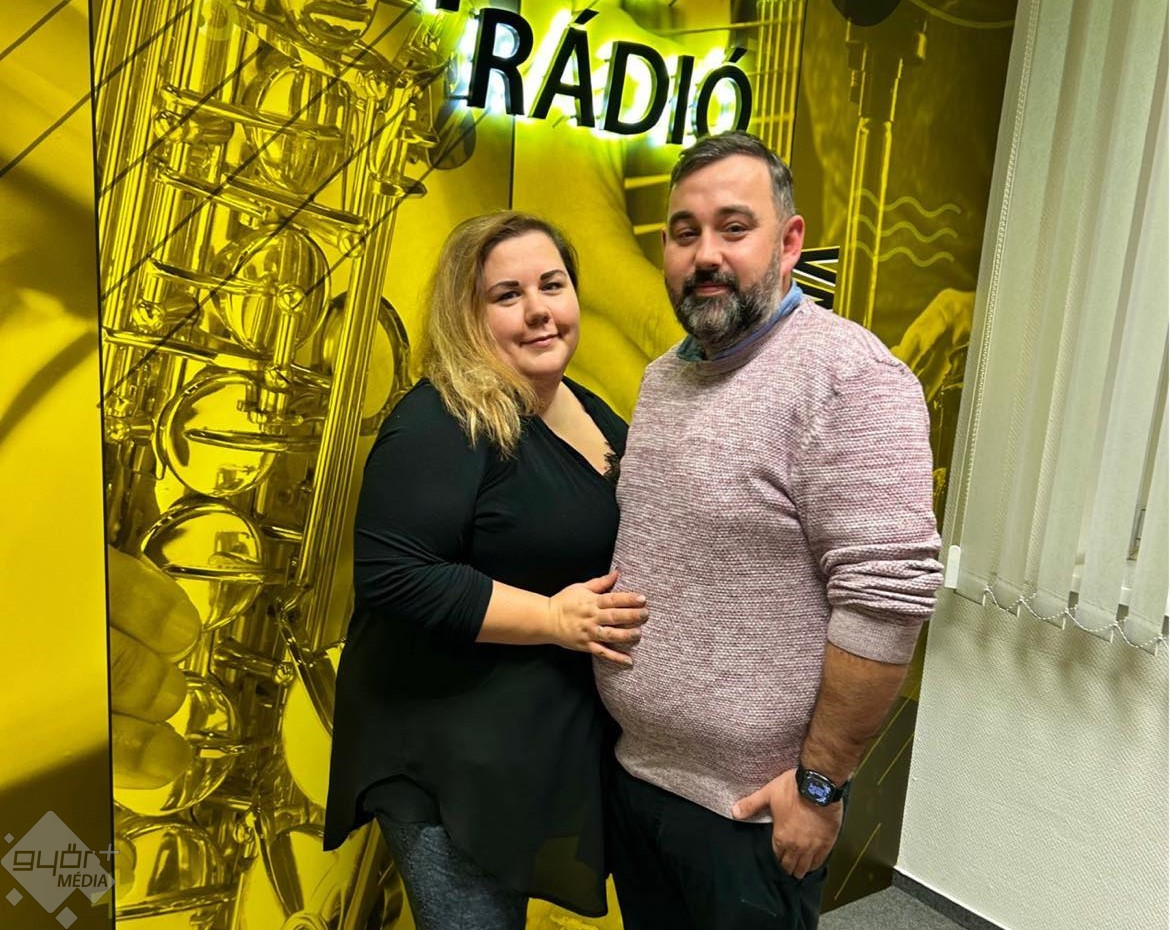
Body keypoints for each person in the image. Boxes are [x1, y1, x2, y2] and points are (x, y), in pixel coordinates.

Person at [595, 131, 944, 929]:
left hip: (754, 811)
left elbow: (886, 603)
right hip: (639, 778)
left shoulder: (849, 377)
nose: (705, 255)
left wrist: (820, 787)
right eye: (685, 232)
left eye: (733, 228)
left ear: (789, 243)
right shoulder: (664, 377)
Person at [324, 211, 648, 929]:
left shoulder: (584, 405)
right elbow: (396, 575)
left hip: (527, 747)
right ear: (465, 314)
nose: (538, 310)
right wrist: (553, 618)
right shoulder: (438, 421)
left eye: (552, 285)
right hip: (446, 759)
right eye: (507, 295)